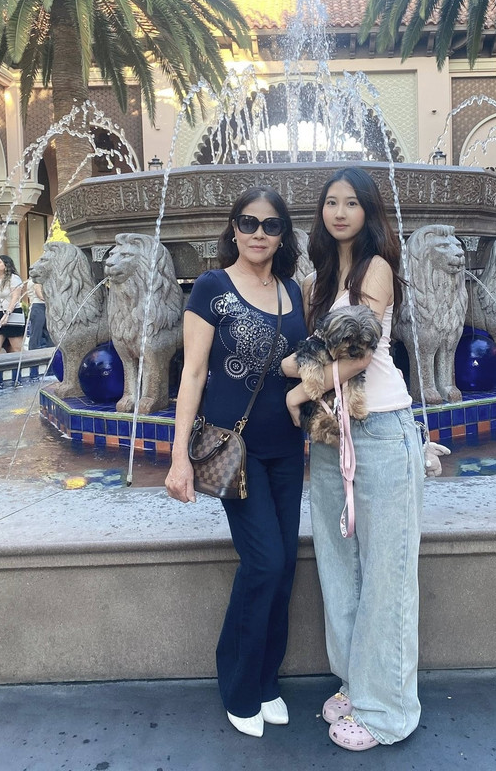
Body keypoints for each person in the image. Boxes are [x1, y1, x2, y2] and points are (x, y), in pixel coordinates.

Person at [283, 167, 424, 752]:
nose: (339, 212)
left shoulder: (376, 269)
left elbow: (359, 354)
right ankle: (356, 682)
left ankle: (388, 711)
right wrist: (302, 371)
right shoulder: (321, 279)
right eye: (330, 203)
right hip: (331, 435)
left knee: (387, 574)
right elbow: (315, 350)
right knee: (340, 568)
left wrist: (297, 386)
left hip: (382, 431)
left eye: (351, 203)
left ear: (369, 211)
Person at [165, 187, 307, 738]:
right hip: (236, 453)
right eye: (248, 222)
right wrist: (178, 458)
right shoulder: (212, 287)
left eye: (270, 225)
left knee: (284, 566)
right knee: (265, 563)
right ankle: (241, 687)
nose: (258, 233)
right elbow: (193, 374)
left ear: (283, 235)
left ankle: (267, 681)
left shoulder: (292, 290)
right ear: (233, 227)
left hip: (287, 450)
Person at [24, 276, 54, 350]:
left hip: (41, 306)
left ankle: (50, 350)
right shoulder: (37, 280)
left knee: (46, 331)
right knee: (37, 332)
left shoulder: (35, 279)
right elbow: (39, 294)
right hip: (39, 305)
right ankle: (34, 350)